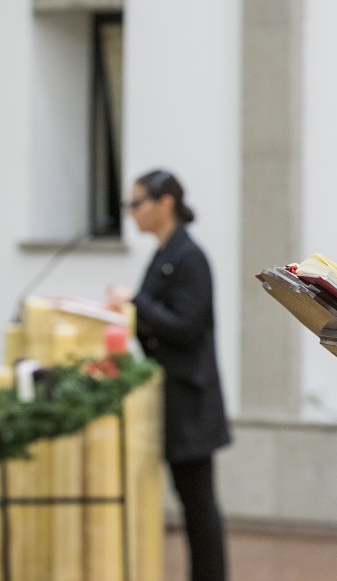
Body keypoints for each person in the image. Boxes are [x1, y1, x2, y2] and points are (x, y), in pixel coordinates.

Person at [109, 170, 231, 581]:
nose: (131, 212)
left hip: (190, 399)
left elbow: (185, 327)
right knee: (191, 502)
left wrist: (135, 302)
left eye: (136, 203)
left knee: (198, 504)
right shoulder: (165, 253)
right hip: (171, 394)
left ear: (165, 203)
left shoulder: (189, 257)